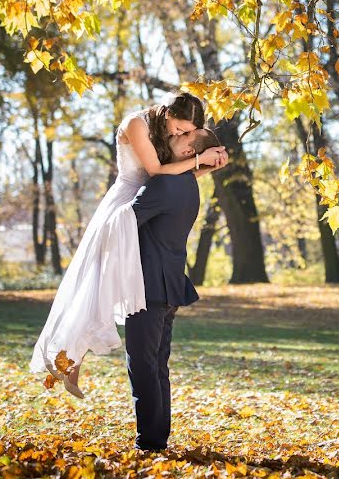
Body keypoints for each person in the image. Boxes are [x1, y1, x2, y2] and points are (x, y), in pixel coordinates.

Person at [30, 92, 227, 398]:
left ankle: (71, 357)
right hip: (126, 205)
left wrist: (207, 165)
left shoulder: (166, 131)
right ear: (167, 112)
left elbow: (173, 179)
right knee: (95, 284)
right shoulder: (137, 124)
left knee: (110, 287)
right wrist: (198, 160)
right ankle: (69, 357)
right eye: (180, 127)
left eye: (188, 132)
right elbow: (158, 172)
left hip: (149, 205)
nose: (181, 135)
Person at [126, 127, 223, 452]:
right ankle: (157, 438)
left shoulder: (166, 182)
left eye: (186, 135)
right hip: (168, 285)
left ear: (187, 151)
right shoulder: (188, 184)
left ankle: (150, 442)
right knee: (157, 363)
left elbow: (125, 223)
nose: (178, 133)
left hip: (149, 287)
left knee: (142, 363)